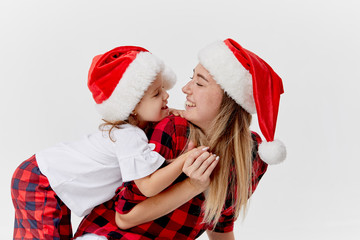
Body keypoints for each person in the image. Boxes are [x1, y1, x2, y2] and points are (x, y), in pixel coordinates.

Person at [74, 38, 286, 240]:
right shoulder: (174, 130)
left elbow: (220, 225)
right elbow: (124, 217)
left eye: (199, 83)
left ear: (230, 101)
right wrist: (193, 186)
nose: (185, 89)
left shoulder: (252, 156)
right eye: (190, 78)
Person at [10, 46, 213, 240]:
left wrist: (174, 113)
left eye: (163, 89)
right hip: (39, 180)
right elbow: (148, 187)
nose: (167, 95)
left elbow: (153, 171)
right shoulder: (129, 136)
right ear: (132, 106)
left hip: (49, 179)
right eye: (157, 94)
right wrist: (185, 161)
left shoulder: (137, 132)